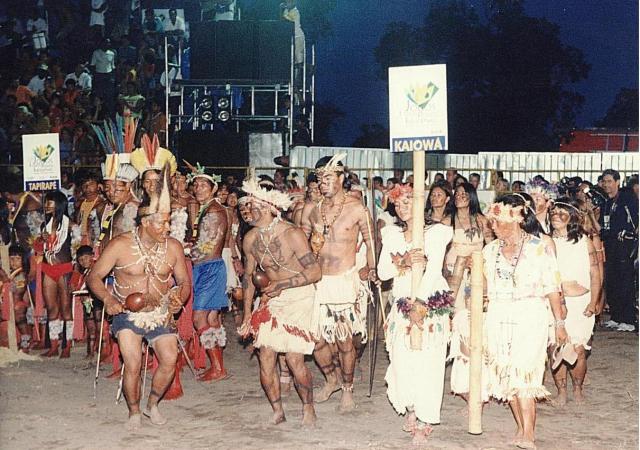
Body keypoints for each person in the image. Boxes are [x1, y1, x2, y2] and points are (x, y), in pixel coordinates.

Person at [87, 167, 191, 430]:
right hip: (127, 312)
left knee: (169, 359)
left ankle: (152, 404)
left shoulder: (174, 247)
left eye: (169, 222)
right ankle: (133, 411)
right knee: (132, 363)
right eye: (162, 223)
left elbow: (184, 282)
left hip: (159, 311)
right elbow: (94, 277)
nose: (167, 227)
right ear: (145, 222)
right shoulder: (121, 245)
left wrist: (178, 298)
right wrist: (108, 300)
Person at [483, 195, 567, 449]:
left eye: (498, 222)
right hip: (498, 315)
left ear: (516, 220)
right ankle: (520, 426)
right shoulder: (489, 251)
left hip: (530, 315)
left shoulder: (538, 247)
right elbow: (482, 289)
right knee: (506, 374)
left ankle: (529, 432)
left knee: (525, 372)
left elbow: (553, 288)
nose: (493, 227)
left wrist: (560, 324)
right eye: (492, 222)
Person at [238, 177, 321, 426]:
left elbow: (315, 273)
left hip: (299, 295)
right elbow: (249, 280)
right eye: (244, 207)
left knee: (295, 359)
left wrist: (282, 285)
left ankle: (308, 406)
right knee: (265, 355)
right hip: (272, 299)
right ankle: (277, 410)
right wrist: (246, 317)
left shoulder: (292, 234)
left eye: (251, 206)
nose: (246, 211)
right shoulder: (250, 239)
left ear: (267, 207)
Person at [300, 153, 378, 412]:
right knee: (316, 340)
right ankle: (331, 379)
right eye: (320, 178)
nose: (323, 182)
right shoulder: (311, 210)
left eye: (328, 177)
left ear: (341, 178)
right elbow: (302, 247)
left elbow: (371, 242)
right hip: (318, 282)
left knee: (345, 341)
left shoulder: (357, 208)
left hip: (344, 282)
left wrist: (371, 267)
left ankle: (347, 389)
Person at [378, 184, 454, 444]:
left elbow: (433, 270)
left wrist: (419, 303)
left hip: (429, 302)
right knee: (401, 358)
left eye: (408, 201)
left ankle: (425, 417)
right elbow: (383, 273)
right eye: (398, 203)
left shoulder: (437, 232)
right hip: (401, 303)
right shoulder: (391, 234)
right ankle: (410, 406)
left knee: (428, 361)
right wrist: (404, 262)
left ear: (420, 204)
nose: (402, 207)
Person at [549, 198, 601, 405]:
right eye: (554, 212)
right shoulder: (546, 242)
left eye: (562, 212)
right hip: (555, 305)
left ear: (572, 216)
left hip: (580, 304)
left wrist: (594, 302)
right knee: (557, 348)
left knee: (578, 349)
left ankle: (577, 388)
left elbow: (595, 274)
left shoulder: (584, 241)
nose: (556, 216)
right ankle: (561, 391)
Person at [446, 183, 493, 401]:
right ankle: (465, 383)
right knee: (460, 324)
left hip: (477, 277)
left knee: (478, 325)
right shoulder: (448, 221)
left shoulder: (481, 220)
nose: (460, 197)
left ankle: (482, 382)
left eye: (465, 194)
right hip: (454, 277)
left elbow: (492, 248)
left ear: (472, 197)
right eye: (457, 194)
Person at [187, 164, 229, 382]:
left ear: (213, 189)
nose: (199, 188)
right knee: (212, 318)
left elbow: (205, 246)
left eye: (204, 185)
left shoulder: (213, 210)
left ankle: (218, 367)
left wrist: (183, 251)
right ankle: (218, 367)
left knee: (199, 318)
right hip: (209, 266)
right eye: (196, 185)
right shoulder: (207, 208)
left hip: (209, 268)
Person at [599, 169, 638, 331]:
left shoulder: (627, 198)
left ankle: (628, 319)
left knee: (625, 282)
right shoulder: (606, 202)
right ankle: (616, 316)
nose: (606, 185)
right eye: (604, 182)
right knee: (612, 281)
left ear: (617, 182)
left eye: (609, 181)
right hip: (610, 245)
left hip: (625, 246)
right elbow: (603, 225)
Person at [39, 191, 74, 358]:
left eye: (50, 203)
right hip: (48, 268)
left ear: (59, 204)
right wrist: (41, 239)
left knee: (66, 308)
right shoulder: (43, 225)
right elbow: (40, 248)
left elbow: (73, 247)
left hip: (64, 268)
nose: (46, 206)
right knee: (51, 308)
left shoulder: (70, 225)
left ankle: (67, 346)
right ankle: (54, 345)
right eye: (46, 202)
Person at [0, 244, 30, 351]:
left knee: (19, 315)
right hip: (5, 303)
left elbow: (18, 290)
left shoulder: (21, 274)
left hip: (16, 303)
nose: (14, 262)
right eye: (11, 259)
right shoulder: (8, 272)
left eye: (18, 259)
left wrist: (6, 280)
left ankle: (25, 342)